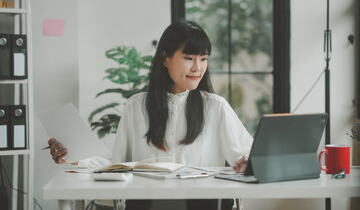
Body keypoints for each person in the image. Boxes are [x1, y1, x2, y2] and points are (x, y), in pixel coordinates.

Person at [48, 20, 253, 210]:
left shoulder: (215, 107)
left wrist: (246, 162)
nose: (197, 68)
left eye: (203, 59)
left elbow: (250, 154)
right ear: (165, 59)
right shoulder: (136, 106)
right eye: (189, 58)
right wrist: (76, 158)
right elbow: (117, 163)